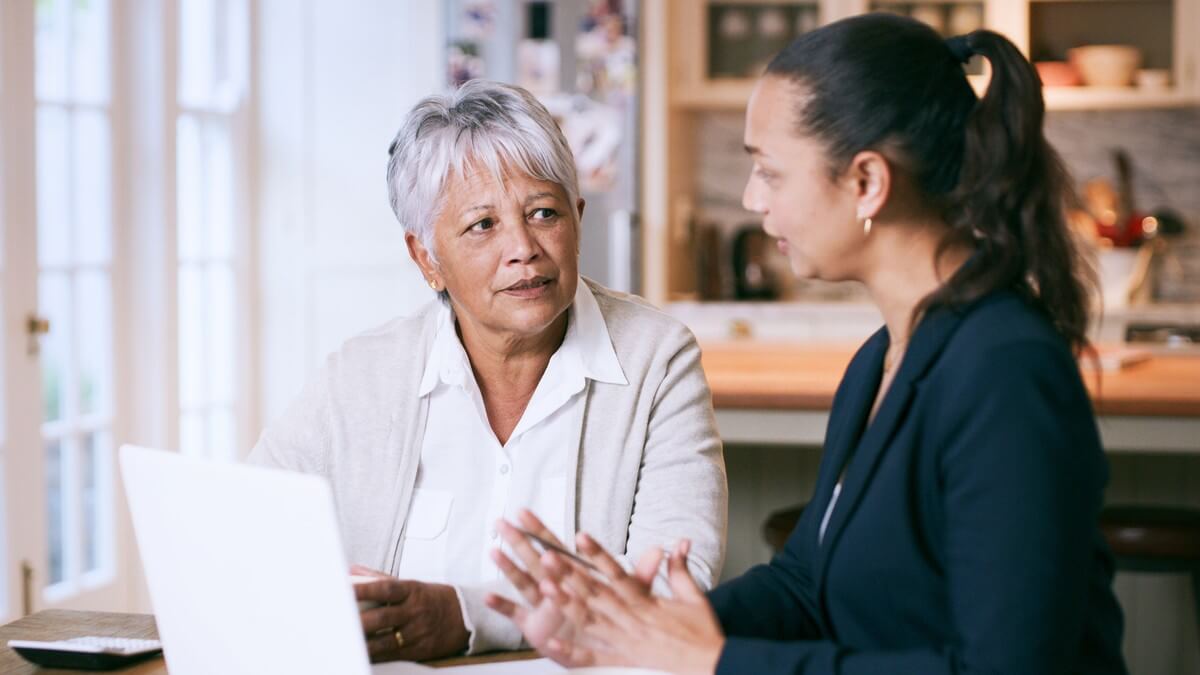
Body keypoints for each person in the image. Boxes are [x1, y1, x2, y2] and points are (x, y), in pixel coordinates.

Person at [487, 14, 1128, 675]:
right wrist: (650, 624)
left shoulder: (1004, 372)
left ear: (867, 183)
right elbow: (806, 582)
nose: (750, 198)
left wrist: (716, 658)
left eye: (769, 171)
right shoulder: (881, 360)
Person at [247, 79, 727, 662]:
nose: (523, 247)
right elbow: (251, 532)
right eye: (483, 225)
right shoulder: (362, 376)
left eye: (543, 213)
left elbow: (678, 578)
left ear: (576, 221)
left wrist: (467, 616)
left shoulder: (657, 358)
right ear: (426, 257)